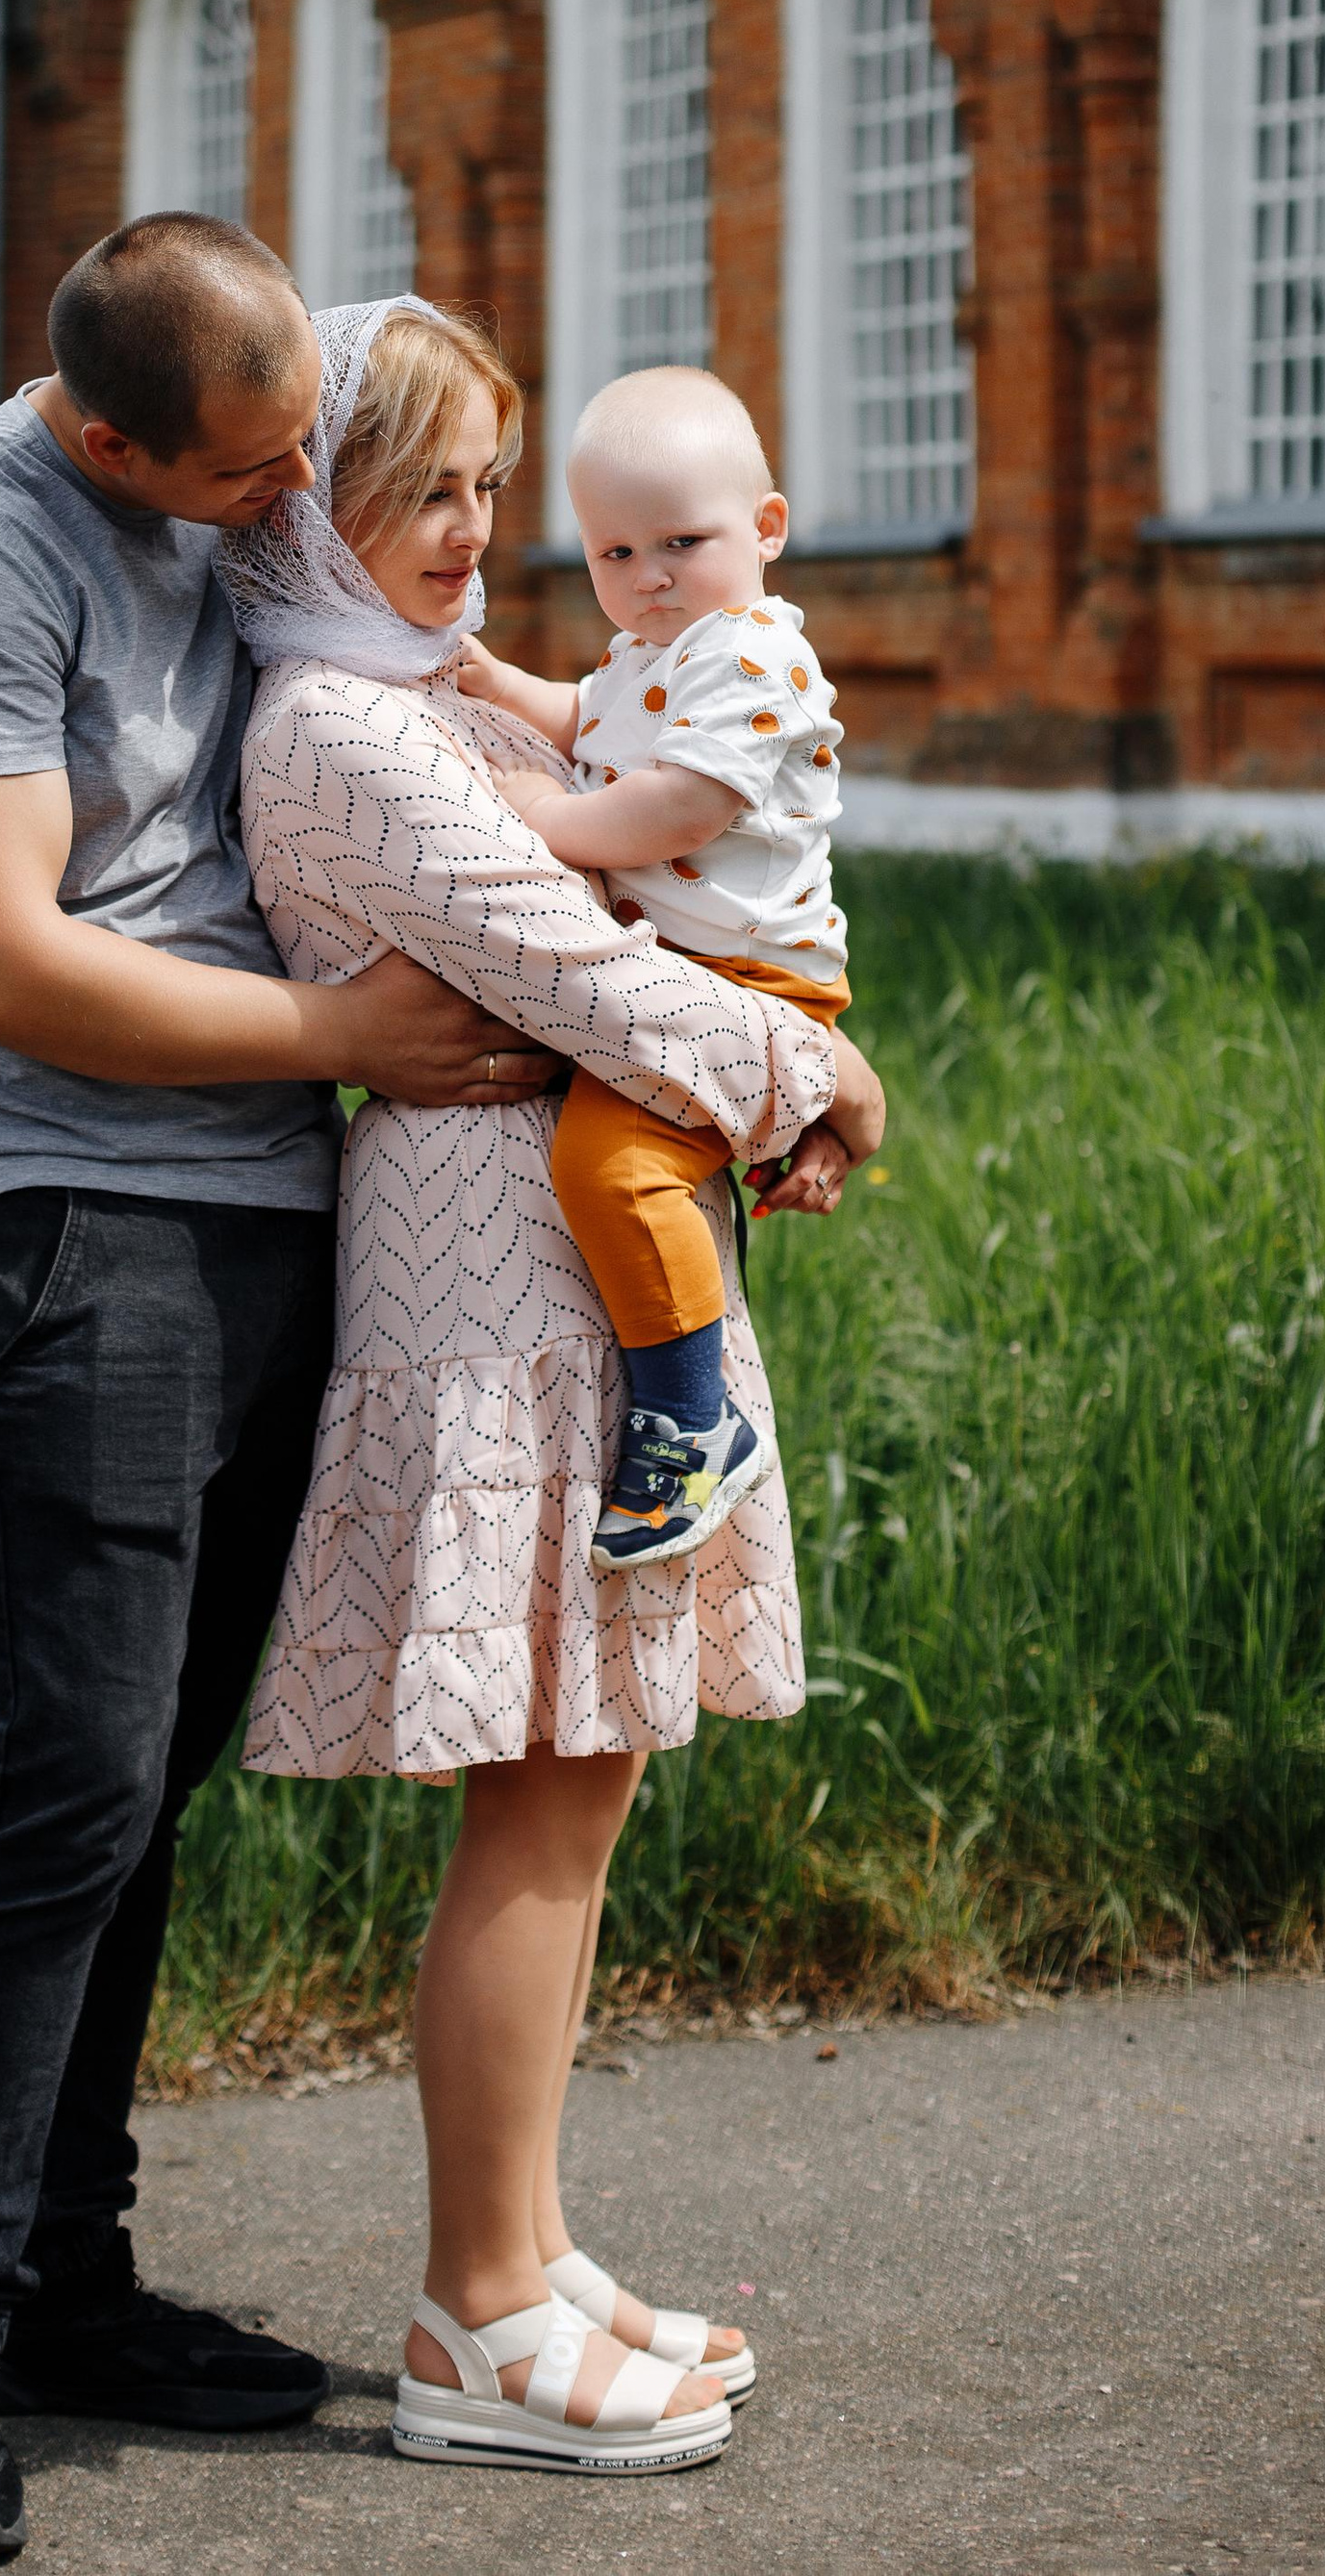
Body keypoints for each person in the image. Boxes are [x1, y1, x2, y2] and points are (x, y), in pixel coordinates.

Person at [0, 215, 557, 2562]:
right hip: (53, 1225)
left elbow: (400, 618)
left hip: (260, 1210)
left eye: (297, 452)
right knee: (54, 1786)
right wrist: (342, 1031)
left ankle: (70, 2286)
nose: (287, 502)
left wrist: (593, 711)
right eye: (247, 473)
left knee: (137, 1794)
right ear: (110, 437)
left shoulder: (248, 447)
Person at [221, 296, 884, 2479]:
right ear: (309, 502)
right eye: (415, 488)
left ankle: (525, 2245)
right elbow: (575, 968)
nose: (465, 529)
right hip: (489, 1294)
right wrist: (817, 1069)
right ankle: (473, 2312)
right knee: (538, 1790)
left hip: (561, 1269)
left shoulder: (418, 693)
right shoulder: (339, 724)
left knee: (580, 1787)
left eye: (485, 487)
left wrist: (753, 1060)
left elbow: (633, 899)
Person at [457, 363, 854, 1572]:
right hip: (685, 978)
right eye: (614, 553)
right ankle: (794, 1129)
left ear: (766, 528)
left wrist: (544, 820)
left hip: (742, 986)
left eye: (683, 542)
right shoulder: (654, 651)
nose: (650, 577)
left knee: (612, 1170)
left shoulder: (754, 655)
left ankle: (692, 1421)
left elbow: (679, 806)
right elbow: (588, 716)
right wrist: (491, 685)